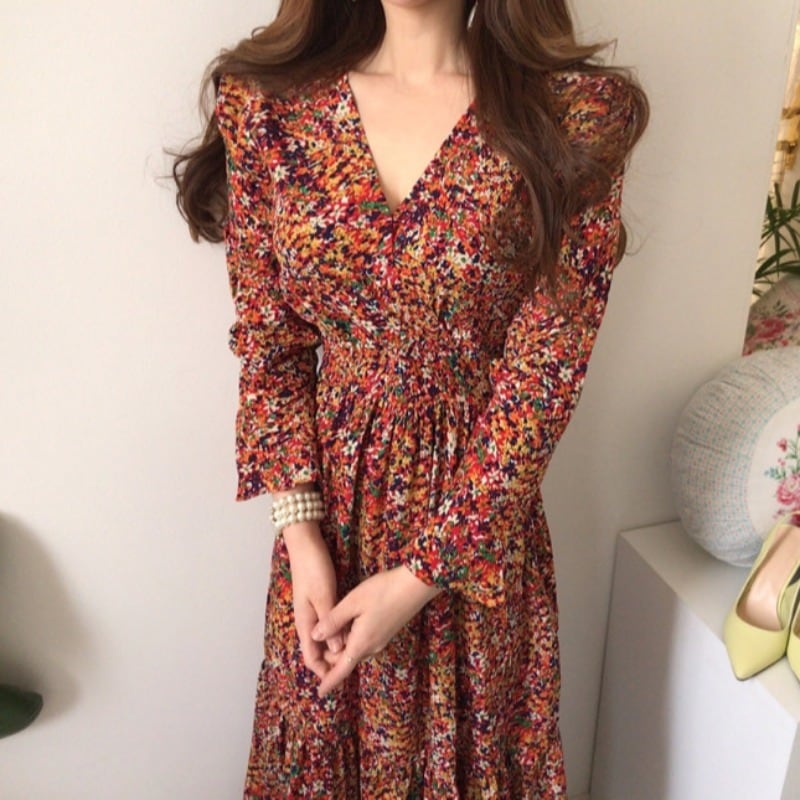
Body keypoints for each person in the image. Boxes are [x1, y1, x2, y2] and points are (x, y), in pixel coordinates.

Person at [173, 0, 648, 796]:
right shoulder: (268, 108)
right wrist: (301, 533)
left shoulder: (574, 115)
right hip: (325, 537)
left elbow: (544, 375)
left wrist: (423, 574)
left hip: (478, 540)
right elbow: (270, 341)